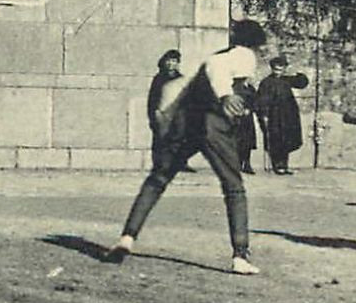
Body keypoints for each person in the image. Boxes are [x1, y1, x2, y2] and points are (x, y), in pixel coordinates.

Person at [109, 20, 269, 276]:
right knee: (234, 187)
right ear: (256, 43)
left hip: (185, 123)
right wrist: (226, 94)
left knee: (158, 179)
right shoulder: (243, 55)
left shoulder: (217, 56)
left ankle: (127, 237)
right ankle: (240, 255)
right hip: (212, 124)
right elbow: (218, 70)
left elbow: (186, 86)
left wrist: (168, 118)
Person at [255, 54, 310, 175]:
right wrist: (264, 115)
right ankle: (277, 166)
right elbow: (262, 100)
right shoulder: (266, 82)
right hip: (274, 116)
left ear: (284, 69)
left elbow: (302, 83)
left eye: (281, 69)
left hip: (288, 115)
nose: (278, 72)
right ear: (272, 68)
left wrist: (296, 72)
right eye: (276, 69)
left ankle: (284, 166)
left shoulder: (286, 80)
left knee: (287, 140)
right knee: (276, 140)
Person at [146, 50, 198, 174]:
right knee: (160, 140)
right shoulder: (159, 79)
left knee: (179, 139)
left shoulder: (180, 78)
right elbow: (153, 98)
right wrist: (154, 113)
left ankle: (180, 163)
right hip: (162, 113)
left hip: (178, 113)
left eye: (174, 61)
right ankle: (159, 164)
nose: (171, 64)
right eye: (169, 61)